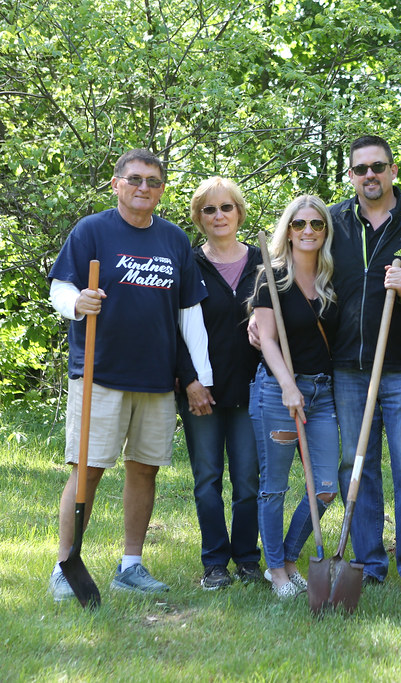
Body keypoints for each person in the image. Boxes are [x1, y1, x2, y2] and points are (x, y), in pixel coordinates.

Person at [269, 135, 401, 595]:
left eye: (378, 167)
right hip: (346, 366)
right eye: (361, 169)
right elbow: (297, 265)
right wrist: (259, 319)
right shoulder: (334, 223)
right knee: (356, 464)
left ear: (393, 171)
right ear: (351, 175)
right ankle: (368, 561)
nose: (370, 175)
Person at [47, 148, 211, 600]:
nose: (144, 188)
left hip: (156, 379)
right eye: (135, 179)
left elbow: (189, 315)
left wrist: (199, 375)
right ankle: (66, 564)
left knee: (144, 470)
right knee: (87, 471)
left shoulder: (174, 240)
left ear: (161, 190)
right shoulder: (93, 231)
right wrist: (76, 303)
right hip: (100, 373)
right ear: (117, 184)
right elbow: (60, 286)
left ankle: (131, 565)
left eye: (153, 182)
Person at [249, 195, 341, 599]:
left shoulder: (332, 277)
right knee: (275, 487)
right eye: (300, 224)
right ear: (288, 229)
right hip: (278, 391)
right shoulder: (271, 276)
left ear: (325, 231)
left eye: (316, 224)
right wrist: (287, 385)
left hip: (323, 392)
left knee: (325, 486)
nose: (308, 231)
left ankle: (287, 559)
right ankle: (276, 571)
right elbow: (266, 339)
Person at [175, 177, 262, 590]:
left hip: (251, 390)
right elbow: (172, 330)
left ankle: (247, 560)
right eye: (209, 210)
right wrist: (190, 381)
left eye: (226, 207)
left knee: (247, 481)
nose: (219, 216)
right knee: (207, 479)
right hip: (201, 392)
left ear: (239, 213)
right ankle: (214, 564)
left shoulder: (265, 263)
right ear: (199, 218)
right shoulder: (188, 264)